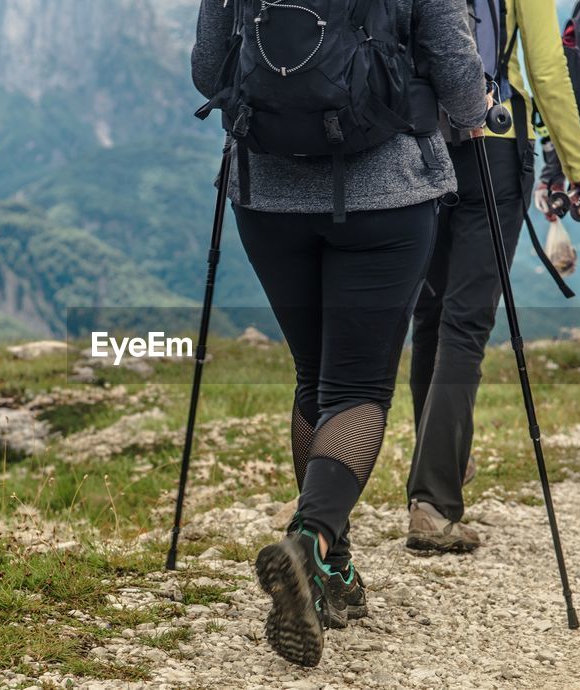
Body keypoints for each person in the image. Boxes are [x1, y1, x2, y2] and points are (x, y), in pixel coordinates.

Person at [192, 0, 487, 668]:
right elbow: (461, 85)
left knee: (314, 375)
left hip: (265, 194)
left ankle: (335, 569)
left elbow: (209, 71)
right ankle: (310, 539)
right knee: (356, 385)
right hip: (387, 194)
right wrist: (478, 107)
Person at [406, 0, 580, 553]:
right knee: (465, 323)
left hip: (419, 142)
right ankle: (434, 500)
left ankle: (435, 473)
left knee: (430, 314)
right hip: (493, 144)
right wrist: (578, 165)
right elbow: (545, 69)